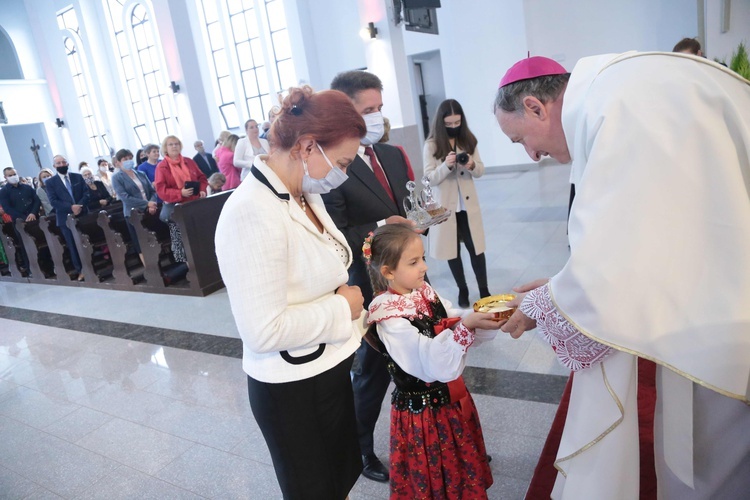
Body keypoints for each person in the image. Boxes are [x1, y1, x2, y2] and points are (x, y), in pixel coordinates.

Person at [494, 54, 750, 499]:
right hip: (717, 279)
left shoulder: (617, 106)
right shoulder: (618, 89)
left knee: (717, 449)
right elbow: (646, 234)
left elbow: (614, 260)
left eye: (520, 140)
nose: (532, 155)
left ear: (536, 106)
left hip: (725, 309)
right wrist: (562, 285)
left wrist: (548, 302)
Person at [214, 86, 367, 499]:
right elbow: (262, 331)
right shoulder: (251, 211)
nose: (343, 174)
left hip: (327, 368)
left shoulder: (302, 193)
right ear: (306, 146)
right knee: (313, 491)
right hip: (292, 389)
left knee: (338, 481)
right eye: (342, 162)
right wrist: (343, 306)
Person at [324, 69, 417, 483]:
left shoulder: (393, 155)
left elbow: (409, 207)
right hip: (368, 285)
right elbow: (333, 232)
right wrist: (382, 222)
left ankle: (427, 438)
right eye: (367, 110)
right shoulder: (333, 168)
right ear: (347, 114)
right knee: (372, 375)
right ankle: (361, 450)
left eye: (380, 108)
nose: (376, 117)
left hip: (410, 279)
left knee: (418, 359)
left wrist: (420, 218)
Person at [364, 223, 498, 498]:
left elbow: (448, 315)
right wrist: (465, 327)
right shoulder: (388, 316)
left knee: (459, 468)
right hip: (424, 416)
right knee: (434, 476)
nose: (424, 267)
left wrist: (475, 317)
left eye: (422, 258)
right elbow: (426, 360)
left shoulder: (422, 291)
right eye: (413, 262)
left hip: (450, 403)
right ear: (387, 272)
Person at [424, 99, 490, 307]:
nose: (454, 127)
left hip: (467, 206)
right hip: (445, 207)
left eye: (457, 122)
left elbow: (480, 171)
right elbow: (429, 178)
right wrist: (445, 165)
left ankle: (484, 290)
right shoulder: (432, 144)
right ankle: (462, 289)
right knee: (451, 250)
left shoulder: (469, 139)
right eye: (449, 124)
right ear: (441, 123)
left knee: (476, 249)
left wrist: (470, 164)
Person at [155, 135, 207, 264]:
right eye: (171, 144)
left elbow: (202, 178)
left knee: (198, 236)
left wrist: (202, 189)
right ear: (165, 148)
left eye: (176, 144)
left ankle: (203, 261)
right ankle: (187, 266)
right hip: (175, 208)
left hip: (193, 204)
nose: (174, 146)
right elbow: (161, 190)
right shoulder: (162, 167)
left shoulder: (189, 161)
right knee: (181, 239)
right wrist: (180, 193)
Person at [45, 154, 89, 280]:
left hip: (82, 214)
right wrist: (71, 207)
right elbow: (53, 201)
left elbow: (86, 193)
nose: (61, 165)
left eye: (63, 162)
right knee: (73, 245)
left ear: (67, 164)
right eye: (58, 163)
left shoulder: (77, 177)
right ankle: (80, 270)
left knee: (85, 242)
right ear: (54, 166)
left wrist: (79, 205)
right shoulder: (51, 182)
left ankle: (91, 266)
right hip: (65, 218)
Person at [111, 149, 158, 263]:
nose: (128, 161)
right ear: (118, 162)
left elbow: (152, 192)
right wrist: (146, 204)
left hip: (150, 210)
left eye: (129, 158)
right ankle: (148, 268)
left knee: (154, 238)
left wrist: (151, 204)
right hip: (133, 213)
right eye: (124, 159)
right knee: (140, 242)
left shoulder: (140, 173)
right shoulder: (117, 177)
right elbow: (125, 197)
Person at [0, 167, 41, 274]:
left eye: (14, 174)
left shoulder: (27, 187)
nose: (13, 177)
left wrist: (32, 213)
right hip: (19, 222)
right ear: (5, 177)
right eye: (10, 175)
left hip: (34, 219)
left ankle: (45, 266)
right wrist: (23, 217)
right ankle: (31, 270)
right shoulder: (4, 192)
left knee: (39, 242)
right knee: (26, 246)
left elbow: (36, 200)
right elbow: (7, 208)